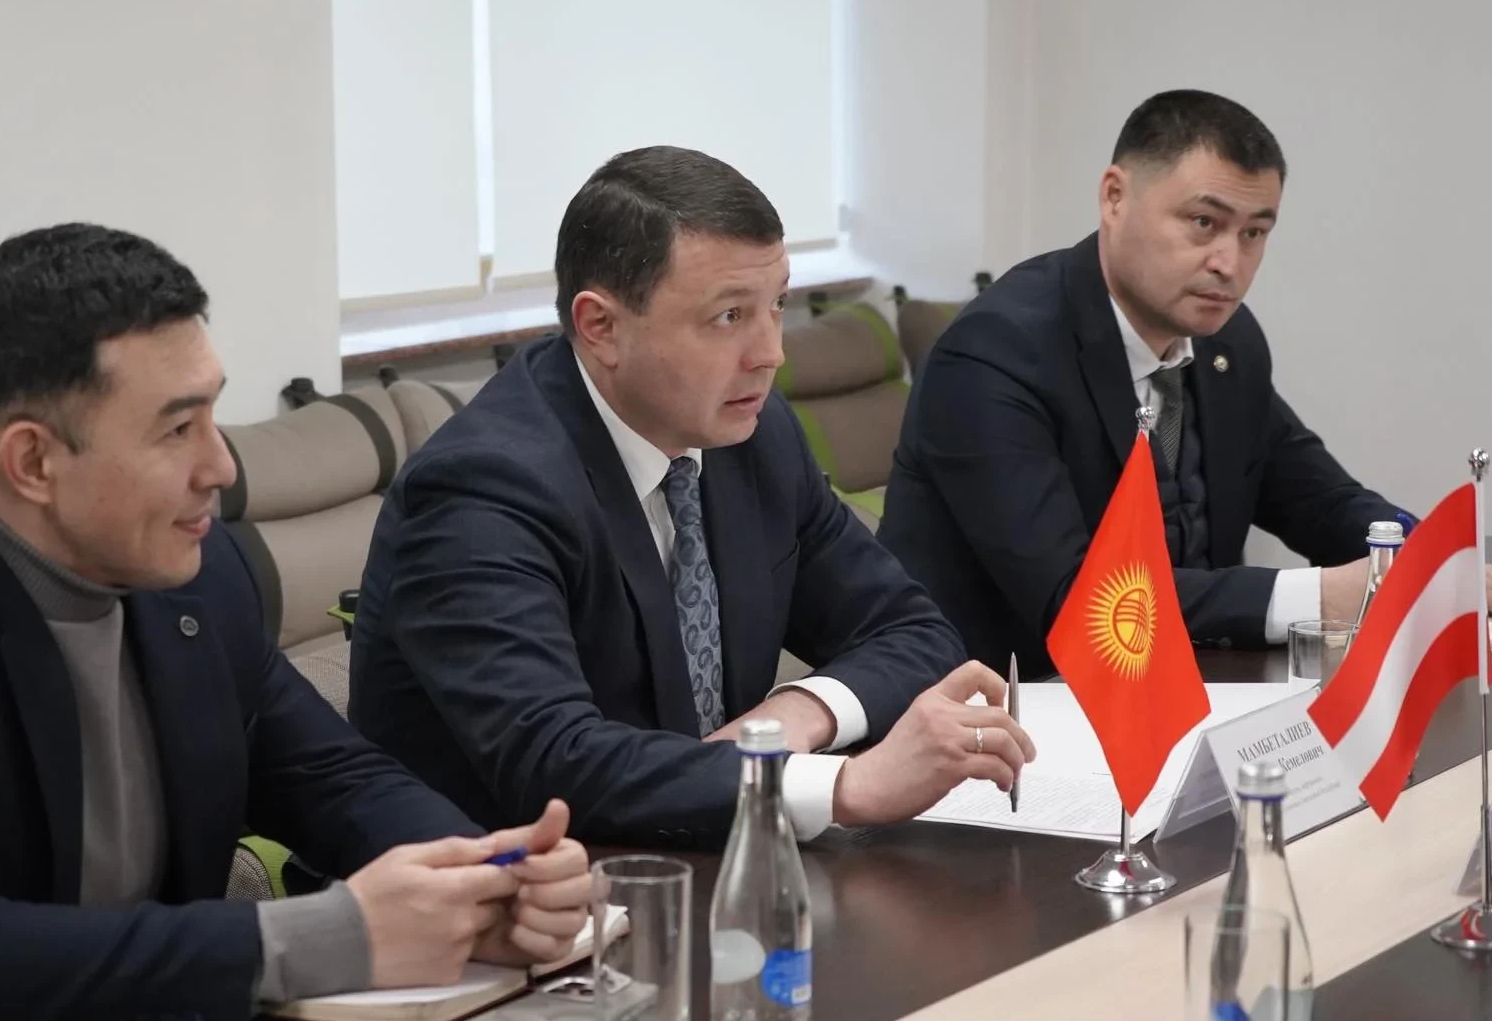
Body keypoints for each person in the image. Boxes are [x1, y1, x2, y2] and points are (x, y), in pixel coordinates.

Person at [0, 225, 591, 1021]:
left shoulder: (197, 575)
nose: (222, 466)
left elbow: (335, 779)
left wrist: (483, 879)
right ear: (33, 461)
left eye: (213, 415)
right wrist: (333, 934)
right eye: (178, 429)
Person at [347, 146, 1034, 849]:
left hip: (699, 856)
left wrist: (791, 718)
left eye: (777, 305)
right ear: (601, 327)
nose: (771, 353)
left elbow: (914, 631)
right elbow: (557, 763)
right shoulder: (484, 489)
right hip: (502, 887)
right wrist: (842, 786)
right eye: (729, 316)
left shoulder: (753, 436)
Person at [878, 90, 1492, 681]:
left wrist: (1428, 556)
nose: (1230, 263)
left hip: (1190, 689)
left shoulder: (1227, 342)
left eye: (1254, 233)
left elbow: (1318, 495)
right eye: (1204, 223)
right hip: (998, 715)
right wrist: (1320, 597)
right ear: (1114, 197)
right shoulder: (995, 354)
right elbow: (1076, 601)